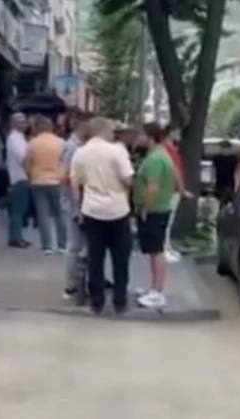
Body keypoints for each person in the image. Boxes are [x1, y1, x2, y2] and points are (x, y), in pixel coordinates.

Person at [70, 117, 134, 314]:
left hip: (92, 210)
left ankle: (97, 299)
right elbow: (128, 179)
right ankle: (119, 299)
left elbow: (75, 185)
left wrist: (78, 210)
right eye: (112, 131)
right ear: (105, 131)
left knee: (95, 257)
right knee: (120, 258)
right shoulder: (117, 151)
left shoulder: (80, 153)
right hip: (117, 210)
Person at [134, 123, 177, 309]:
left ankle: (157, 292)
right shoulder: (159, 155)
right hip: (158, 208)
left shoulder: (155, 159)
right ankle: (153, 288)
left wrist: (145, 208)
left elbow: (153, 187)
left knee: (156, 251)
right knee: (153, 250)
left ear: (150, 137)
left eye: (141, 135)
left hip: (154, 210)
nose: (138, 139)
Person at [60, 112, 92, 298]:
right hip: (75, 202)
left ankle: (82, 281)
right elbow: (64, 175)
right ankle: (71, 285)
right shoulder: (71, 147)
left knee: (83, 244)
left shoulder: (81, 146)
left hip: (81, 200)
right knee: (75, 245)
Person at [25, 115, 67, 254]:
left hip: (37, 181)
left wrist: (30, 175)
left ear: (38, 128)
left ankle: (47, 246)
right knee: (59, 213)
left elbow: (27, 162)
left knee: (43, 214)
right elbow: (64, 161)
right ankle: (62, 245)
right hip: (56, 181)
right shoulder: (60, 142)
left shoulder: (33, 143)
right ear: (51, 127)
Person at [161, 124, 192, 261]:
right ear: (171, 133)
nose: (179, 136)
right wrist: (182, 189)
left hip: (171, 188)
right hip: (171, 188)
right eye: (177, 133)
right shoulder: (169, 149)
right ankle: (164, 248)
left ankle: (167, 247)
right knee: (168, 220)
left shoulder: (168, 148)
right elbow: (175, 170)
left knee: (168, 220)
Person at [6, 112, 31, 248]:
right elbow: (23, 159)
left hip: (21, 177)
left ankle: (16, 236)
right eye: (20, 121)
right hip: (19, 178)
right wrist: (30, 173)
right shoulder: (14, 139)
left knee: (20, 209)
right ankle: (16, 238)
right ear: (13, 123)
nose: (23, 124)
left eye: (24, 121)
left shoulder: (20, 138)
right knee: (18, 210)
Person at [212, 139, 240, 205]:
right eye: (222, 147)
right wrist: (213, 181)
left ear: (229, 148)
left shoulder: (233, 158)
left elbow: (237, 170)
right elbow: (213, 170)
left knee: (226, 197)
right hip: (219, 181)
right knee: (221, 198)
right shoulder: (217, 158)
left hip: (229, 182)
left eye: (225, 147)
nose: (224, 149)